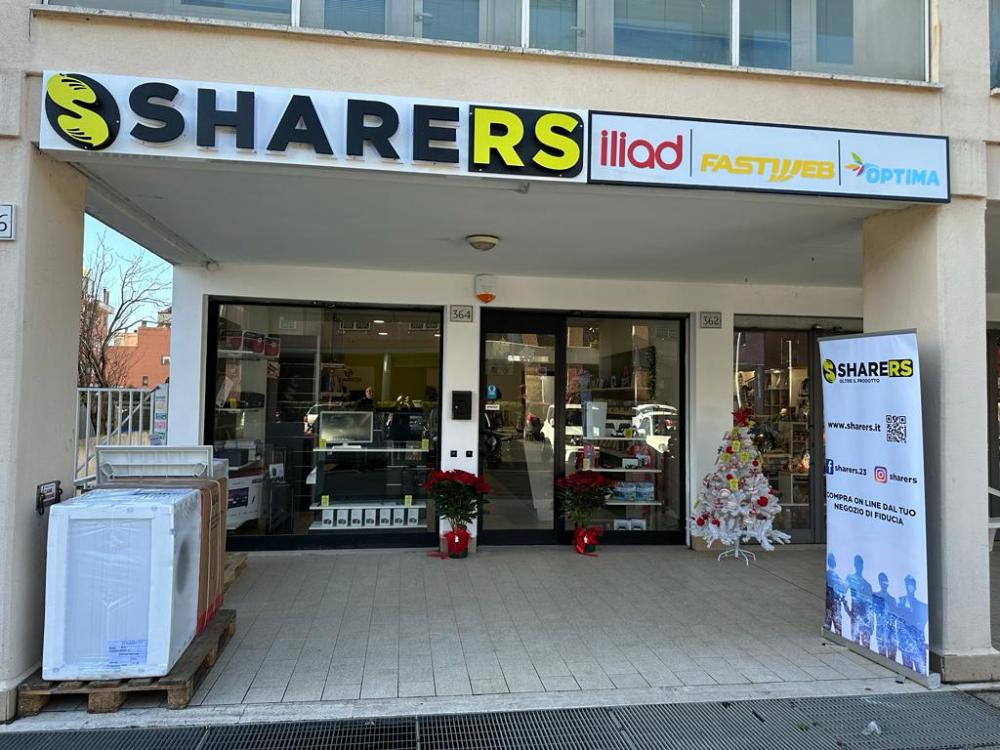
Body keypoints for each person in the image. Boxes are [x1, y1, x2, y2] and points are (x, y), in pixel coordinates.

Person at [897, 574, 928, 673]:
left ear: (915, 587)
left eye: (911, 584)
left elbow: (922, 624)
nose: (909, 587)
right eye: (907, 584)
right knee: (908, 669)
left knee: (921, 671)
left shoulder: (922, 606)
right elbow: (899, 621)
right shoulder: (901, 602)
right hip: (906, 643)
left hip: (918, 645)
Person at [846, 554, 874, 648]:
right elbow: (842, 592)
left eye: (860, 564)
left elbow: (870, 606)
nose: (859, 566)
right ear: (855, 565)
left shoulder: (867, 585)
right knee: (855, 643)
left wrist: (871, 623)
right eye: (857, 564)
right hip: (855, 617)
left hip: (865, 619)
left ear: (862, 565)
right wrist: (848, 610)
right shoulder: (850, 578)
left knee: (866, 646)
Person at [871, 572, 899, 661]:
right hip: (881, 630)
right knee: (882, 655)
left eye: (886, 581)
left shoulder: (892, 600)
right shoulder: (875, 596)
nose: (884, 583)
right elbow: (871, 611)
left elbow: (896, 616)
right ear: (879, 582)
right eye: (882, 581)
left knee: (892, 658)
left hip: (891, 631)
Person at [825, 553, 846, 635]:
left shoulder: (829, 574)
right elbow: (843, 588)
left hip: (829, 602)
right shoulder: (833, 575)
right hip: (834, 603)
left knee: (828, 622)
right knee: (837, 626)